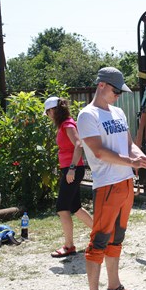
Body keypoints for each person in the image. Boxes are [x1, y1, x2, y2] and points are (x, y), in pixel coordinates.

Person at [77, 67, 146, 290]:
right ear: (101, 86)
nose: (119, 96)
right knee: (99, 240)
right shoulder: (87, 115)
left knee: (117, 238)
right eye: (115, 91)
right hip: (107, 185)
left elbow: (129, 143)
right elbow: (99, 152)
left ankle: (114, 288)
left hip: (125, 183)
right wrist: (131, 161)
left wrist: (142, 158)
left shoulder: (118, 112)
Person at [44, 96, 93, 258]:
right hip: (70, 169)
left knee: (62, 208)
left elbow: (78, 145)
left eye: (48, 112)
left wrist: (71, 169)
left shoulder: (67, 124)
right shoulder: (65, 124)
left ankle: (69, 246)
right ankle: (102, 236)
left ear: (53, 110)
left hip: (72, 169)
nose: (48, 115)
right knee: (75, 208)